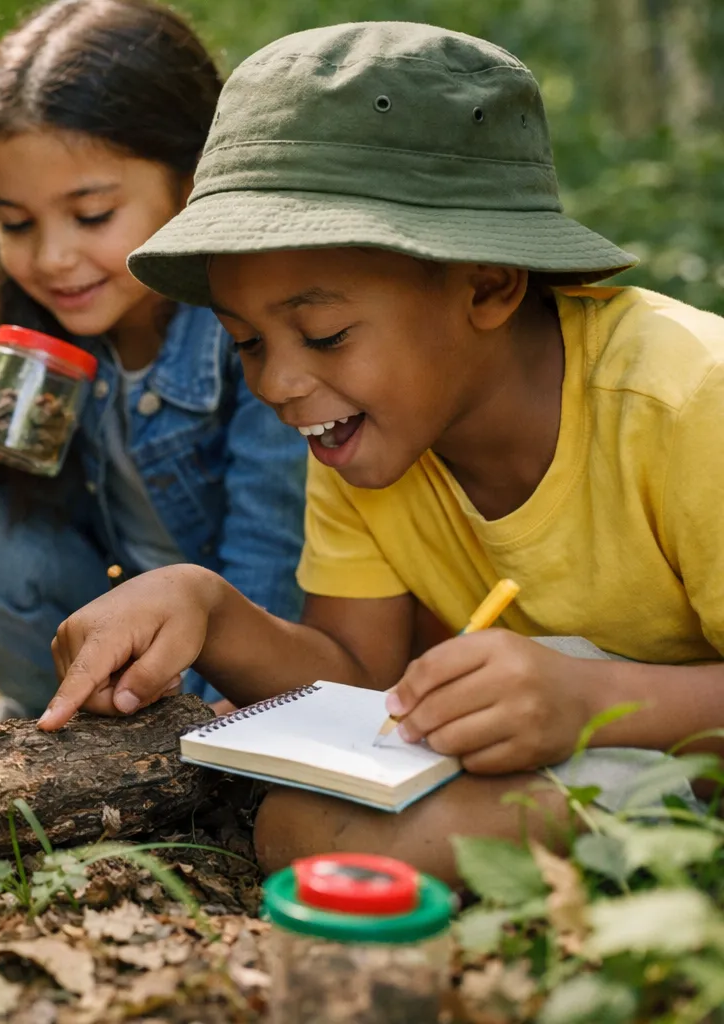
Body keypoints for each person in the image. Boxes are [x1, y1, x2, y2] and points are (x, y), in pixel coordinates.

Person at [41, 22, 724, 884]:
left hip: (664, 727)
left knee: (343, 840)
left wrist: (589, 701)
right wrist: (207, 607)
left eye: (323, 333)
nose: (281, 383)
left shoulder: (690, 399)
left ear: (487, 283)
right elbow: (359, 677)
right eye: (248, 343)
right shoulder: (361, 436)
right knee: (301, 823)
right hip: (558, 748)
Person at [0, 0, 309, 719]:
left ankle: (200, 747)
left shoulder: (250, 314)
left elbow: (270, 543)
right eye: (16, 222)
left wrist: (232, 719)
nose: (55, 258)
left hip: (246, 634)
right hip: (101, 618)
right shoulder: (1, 297)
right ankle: (81, 727)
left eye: (92, 215)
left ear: (192, 180)